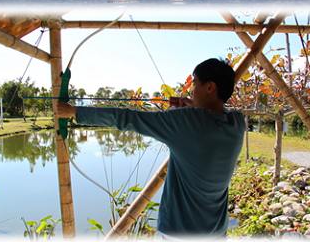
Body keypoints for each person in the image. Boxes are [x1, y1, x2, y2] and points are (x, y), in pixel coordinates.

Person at [57, 58, 245, 238]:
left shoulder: (186, 121)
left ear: (210, 87)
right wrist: (192, 107)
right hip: (216, 230)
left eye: (195, 85)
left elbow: (126, 118)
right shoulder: (237, 123)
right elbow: (214, 114)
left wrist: (74, 111)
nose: (191, 92)